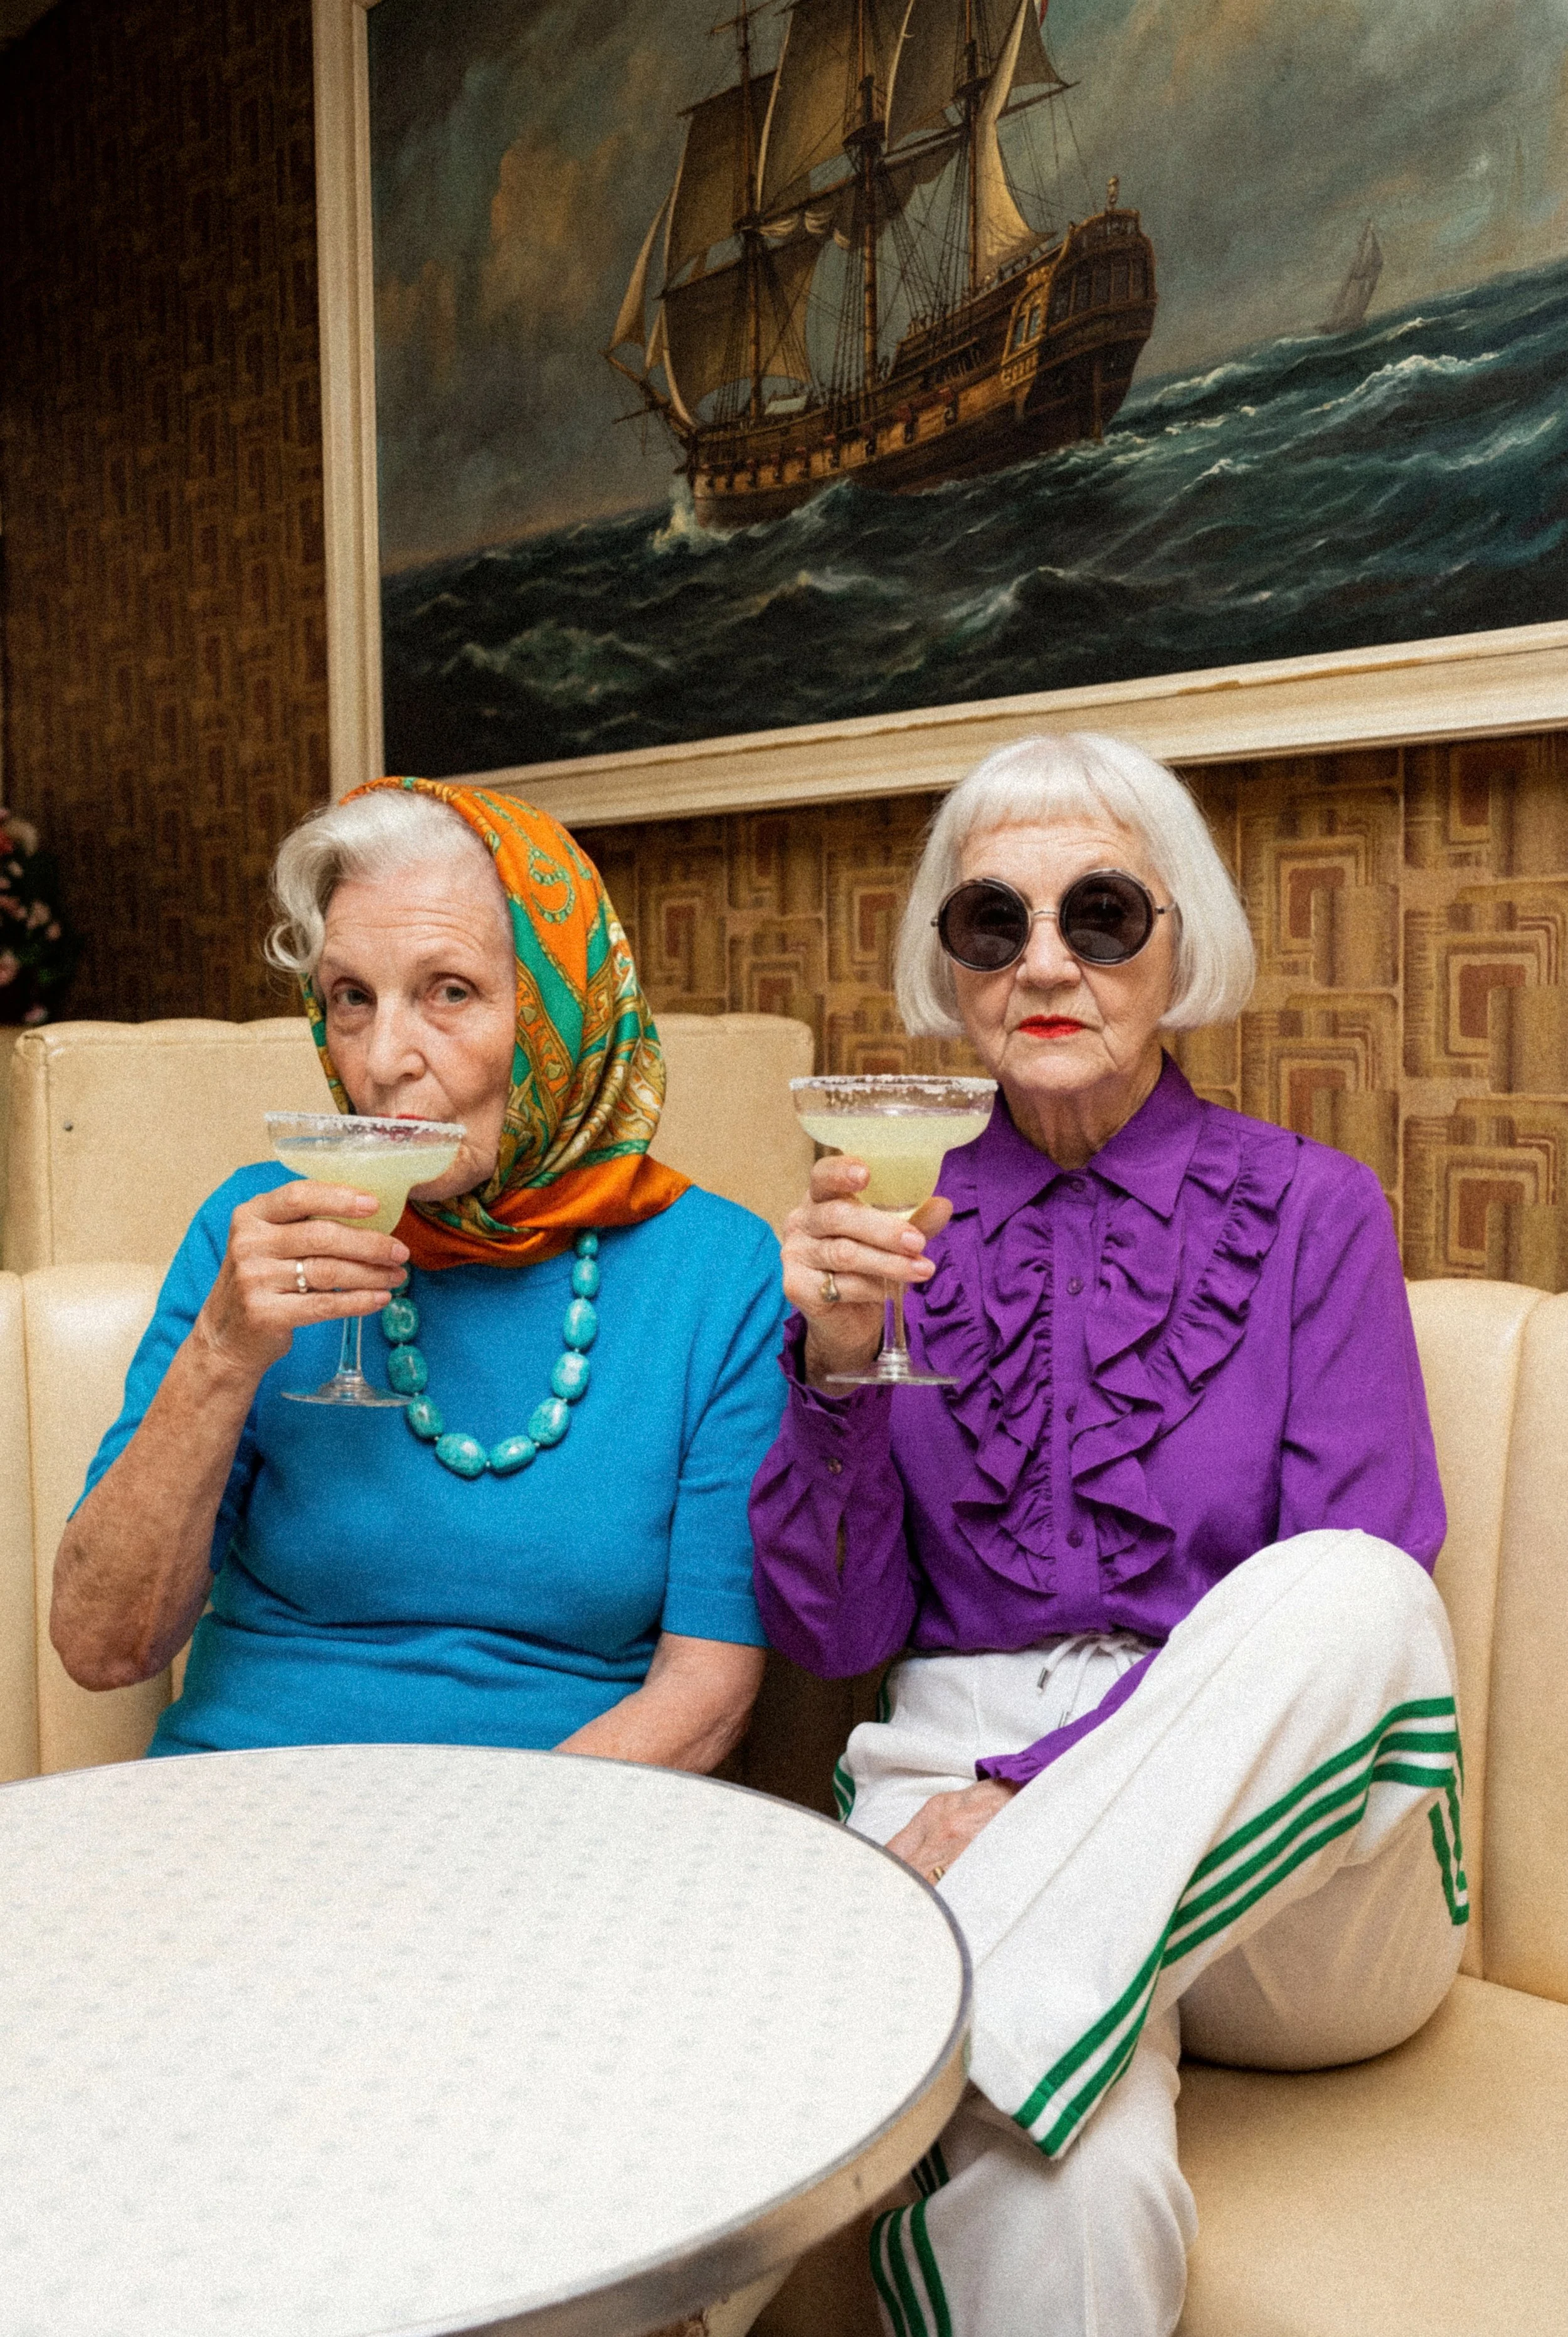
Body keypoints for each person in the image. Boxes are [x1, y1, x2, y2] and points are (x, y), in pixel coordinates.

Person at [750, 734, 1464, 2337]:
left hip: (1292, 1884)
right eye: (992, 925)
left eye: (1101, 916)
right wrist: (842, 1365)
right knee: (1078, 2197)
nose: (1047, 964)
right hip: (962, 1779)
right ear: (950, 972)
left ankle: (888, 2046)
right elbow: (833, 1639)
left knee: (1351, 1590)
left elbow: (1350, 1634)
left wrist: (1027, 1800)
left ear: (1179, 945)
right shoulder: (878, 1222)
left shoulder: (1312, 1210)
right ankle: (994, 2037)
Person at [53, 780, 786, 1771]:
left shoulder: (717, 1270)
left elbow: (706, 1692)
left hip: (562, 1825)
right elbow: (103, 1647)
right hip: (244, 1799)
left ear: (558, 1012)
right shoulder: (257, 1231)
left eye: (449, 991)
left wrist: (471, 1860)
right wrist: (222, 1355)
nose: (384, 1061)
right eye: (352, 998)